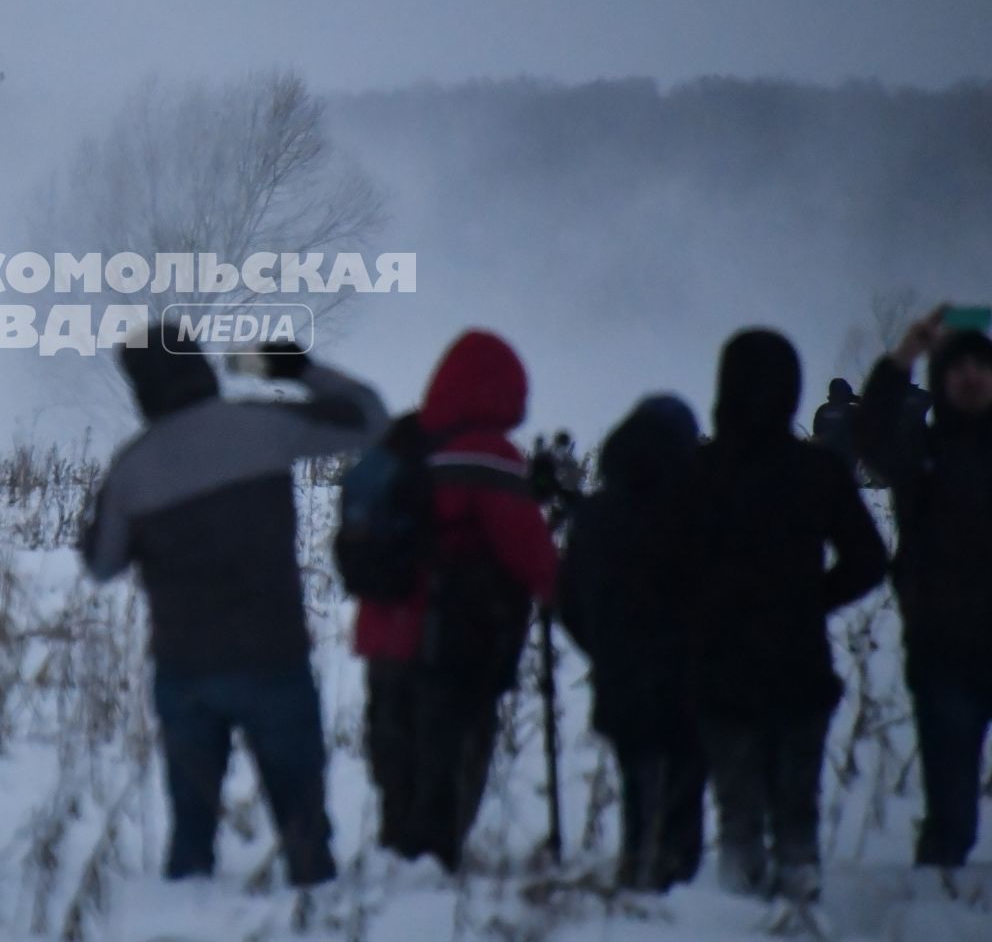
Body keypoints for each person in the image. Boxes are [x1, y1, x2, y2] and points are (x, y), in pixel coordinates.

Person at [80, 330, 387, 888]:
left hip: (185, 669)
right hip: (274, 657)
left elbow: (102, 565)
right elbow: (369, 419)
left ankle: (186, 912)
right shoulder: (260, 426)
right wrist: (297, 369)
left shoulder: (131, 469)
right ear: (198, 366)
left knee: (192, 835)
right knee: (304, 830)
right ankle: (313, 909)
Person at [351, 329, 559, 874]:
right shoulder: (488, 456)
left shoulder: (400, 444)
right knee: (448, 770)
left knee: (397, 769)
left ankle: (395, 871)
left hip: (383, 638)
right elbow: (529, 553)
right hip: (452, 646)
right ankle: (430, 886)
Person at [689, 329, 886, 901]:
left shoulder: (697, 471)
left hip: (720, 668)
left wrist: (699, 611)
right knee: (795, 814)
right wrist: (813, 599)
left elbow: (659, 564)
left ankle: (739, 914)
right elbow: (868, 559)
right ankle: (799, 912)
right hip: (796, 662)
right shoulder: (816, 470)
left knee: (739, 814)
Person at [856, 310, 992, 869]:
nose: (970, 375)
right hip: (944, 651)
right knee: (950, 801)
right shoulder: (920, 452)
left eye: (982, 364)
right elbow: (869, 433)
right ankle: (940, 902)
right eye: (956, 366)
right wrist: (903, 356)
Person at [558, 396, 706, 891]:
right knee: (684, 784)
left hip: (620, 675)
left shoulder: (596, 514)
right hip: (690, 675)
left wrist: (602, 647)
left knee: (636, 779)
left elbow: (567, 597)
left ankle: (637, 864)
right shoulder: (697, 509)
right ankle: (673, 879)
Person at [811, 378, 861, 476]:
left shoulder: (822, 410)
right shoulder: (852, 411)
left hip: (825, 461)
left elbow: (817, 433)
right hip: (847, 462)